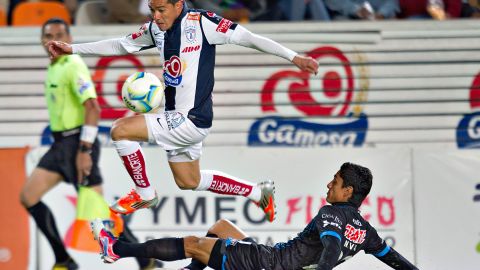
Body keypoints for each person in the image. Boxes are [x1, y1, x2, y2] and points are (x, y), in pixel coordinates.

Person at [47, 0, 319, 223]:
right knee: (189, 181)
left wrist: (294, 57)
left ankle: (144, 193)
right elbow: (120, 44)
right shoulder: (155, 29)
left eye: (161, 10)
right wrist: (72, 49)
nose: (156, 16)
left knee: (120, 130)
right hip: (180, 118)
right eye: (152, 10)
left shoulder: (203, 23)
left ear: (179, 5)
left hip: (189, 119)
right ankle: (257, 192)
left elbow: (249, 38)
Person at [19, 18, 162, 270]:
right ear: (42, 40)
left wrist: (84, 151)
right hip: (60, 146)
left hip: (78, 145)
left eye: (58, 34)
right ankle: (63, 259)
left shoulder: (73, 65)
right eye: (47, 35)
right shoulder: (55, 65)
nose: (51, 39)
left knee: (100, 215)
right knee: (29, 196)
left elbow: (93, 108)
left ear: (69, 38)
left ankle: (147, 259)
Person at [91, 162, 419, 270]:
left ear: (348, 192)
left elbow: (331, 247)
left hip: (266, 264)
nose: (328, 185)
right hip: (274, 259)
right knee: (221, 227)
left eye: (334, 182)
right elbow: (392, 258)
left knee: (192, 244)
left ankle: (115, 249)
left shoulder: (331, 213)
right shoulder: (366, 230)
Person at [324, 0, 399, 20]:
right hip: (348, 18)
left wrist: (382, 13)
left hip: (378, 19)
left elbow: (391, 2)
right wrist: (356, 10)